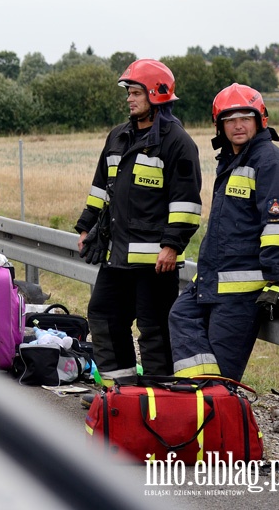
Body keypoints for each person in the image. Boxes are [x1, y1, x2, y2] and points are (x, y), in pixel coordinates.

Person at [75, 59, 202, 386]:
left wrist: (172, 245)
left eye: (136, 93)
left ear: (157, 94)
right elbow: (100, 187)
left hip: (155, 263)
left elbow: (186, 202)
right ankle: (122, 392)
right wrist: (87, 226)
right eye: (129, 93)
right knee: (103, 316)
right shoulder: (118, 137)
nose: (129, 99)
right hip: (116, 256)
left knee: (154, 329)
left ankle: (161, 398)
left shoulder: (177, 142)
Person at [170, 84, 279, 381]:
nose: (238, 125)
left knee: (222, 367)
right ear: (220, 125)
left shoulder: (271, 162)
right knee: (181, 315)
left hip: (242, 291)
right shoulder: (232, 161)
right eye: (230, 120)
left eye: (245, 117)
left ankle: (214, 405)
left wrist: (276, 270)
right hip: (214, 278)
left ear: (260, 120)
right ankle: (200, 396)